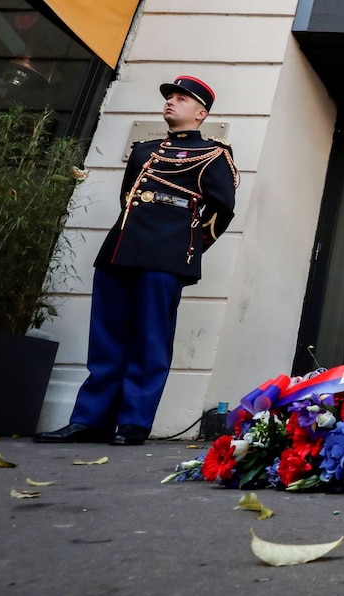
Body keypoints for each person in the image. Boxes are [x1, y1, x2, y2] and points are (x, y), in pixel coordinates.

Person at [35, 75, 238, 446]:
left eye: (181, 98)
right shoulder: (144, 150)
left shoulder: (213, 154)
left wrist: (188, 248)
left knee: (150, 340)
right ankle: (91, 420)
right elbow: (128, 197)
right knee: (107, 339)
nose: (171, 102)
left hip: (166, 254)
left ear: (201, 113)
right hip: (122, 248)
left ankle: (132, 423)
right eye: (169, 97)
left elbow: (222, 210)